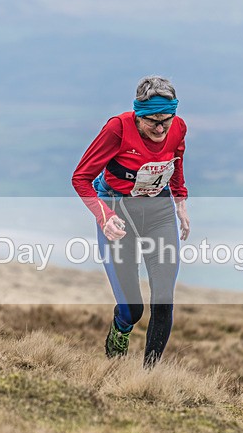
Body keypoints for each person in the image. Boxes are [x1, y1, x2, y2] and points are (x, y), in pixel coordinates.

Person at [72, 75, 191, 368]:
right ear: (138, 116)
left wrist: (181, 202)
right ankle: (119, 334)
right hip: (118, 212)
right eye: (153, 121)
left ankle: (147, 378)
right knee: (132, 308)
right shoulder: (117, 129)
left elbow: (176, 163)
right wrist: (104, 216)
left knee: (163, 298)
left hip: (158, 212)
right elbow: (81, 178)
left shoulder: (178, 128)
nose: (161, 128)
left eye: (167, 119)